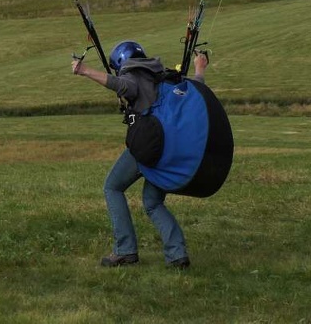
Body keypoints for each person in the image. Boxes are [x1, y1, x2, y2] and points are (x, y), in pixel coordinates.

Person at [71, 40, 209, 269]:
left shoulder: (134, 75)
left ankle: (125, 251)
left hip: (150, 147)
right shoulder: (163, 76)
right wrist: (199, 70)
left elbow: (123, 86)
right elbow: (194, 93)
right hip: (173, 150)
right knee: (152, 201)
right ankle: (177, 255)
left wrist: (85, 71)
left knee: (112, 187)